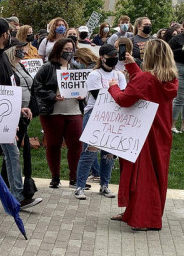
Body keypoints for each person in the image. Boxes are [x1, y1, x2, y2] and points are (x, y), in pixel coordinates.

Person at [108, 40, 177, 230]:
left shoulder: (146, 79)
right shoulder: (169, 78)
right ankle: (148, 215)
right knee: (155, 173)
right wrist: (131, 65)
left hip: (141, 131)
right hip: (161, 132)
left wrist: (113, 86)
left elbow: (124, 100)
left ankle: (141, 218)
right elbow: (147, 85)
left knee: (141, 175)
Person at [0, 19, 41, 209]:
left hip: (7, 115)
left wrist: (16, 111)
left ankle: (18, 195)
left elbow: (7, 88)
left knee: (12, 153)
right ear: (5, 35)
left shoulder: (1, 57)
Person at [74, 44, 125, 200]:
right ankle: (80, 186)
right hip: (95, 115)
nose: (113, 58)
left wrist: (115, 92)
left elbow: (122, 97)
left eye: (115, 55)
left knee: (109, 154)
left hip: (113, 117)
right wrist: (114, 91)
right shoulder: (95, 75)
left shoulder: (119, 75)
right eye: (110, 56)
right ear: (102, 57)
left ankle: (105, 185)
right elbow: (100, 97)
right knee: (90, 151)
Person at [33, 38, 85, 189]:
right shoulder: (47, 68)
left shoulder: (77, 67)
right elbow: (37, 87)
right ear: (58, 50)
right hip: (53, 112)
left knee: (76, 145)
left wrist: (83, 95)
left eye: (71, 49)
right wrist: (52, 96)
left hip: (74, 110)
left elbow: (85, 87)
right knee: (54, 144)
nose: (69, 52)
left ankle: (74, 178)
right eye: (66, 49)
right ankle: (55, 176)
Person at [7, 43, 39, 201]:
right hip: (13, 114)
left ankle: (13, 187)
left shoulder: (21, 65)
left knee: (13, 153)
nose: (24, 51)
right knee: (12, 152)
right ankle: (18, 193)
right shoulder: (8, 67)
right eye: (20, 48)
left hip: (24, 112)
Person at [168, 29, 184, 133]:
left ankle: (183, 126)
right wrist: (181, 50)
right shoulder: (176, 39)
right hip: (179, 67)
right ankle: (172, 125)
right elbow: (168, 52)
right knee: (179, 97)